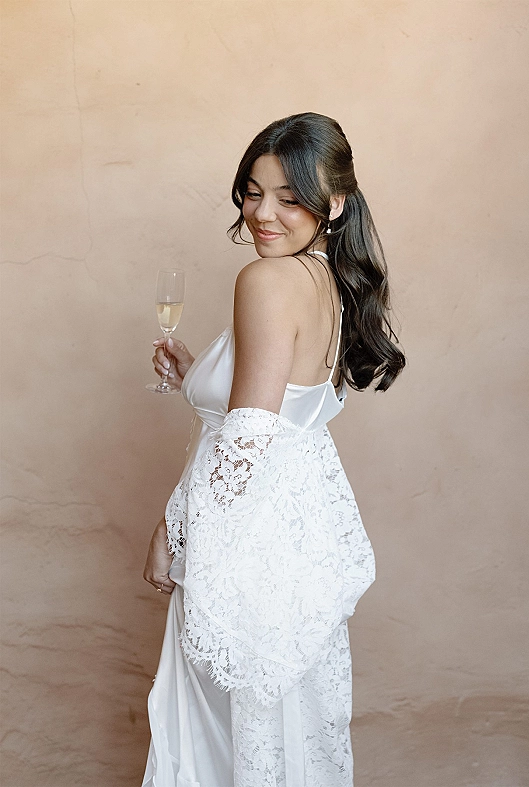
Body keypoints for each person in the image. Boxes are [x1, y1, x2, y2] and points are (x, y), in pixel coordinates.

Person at [141, 112, 405, 787]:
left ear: (333, 203)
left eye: (290, 198)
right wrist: (199, 375)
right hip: (298, 544)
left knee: (219, 740)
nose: (263, 214)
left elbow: (249, 437)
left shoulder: (265, 280)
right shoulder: (327, 280)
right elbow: (280, 409)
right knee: (280, 734)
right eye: (254, 193)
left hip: (248, 541)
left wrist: (172, 528)